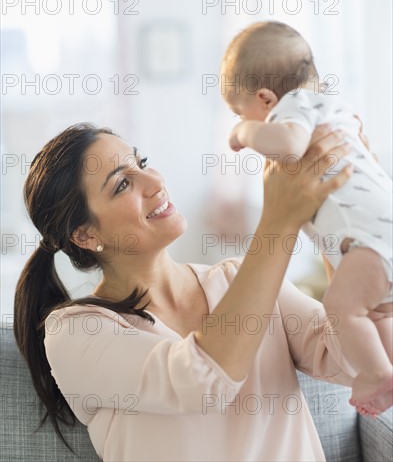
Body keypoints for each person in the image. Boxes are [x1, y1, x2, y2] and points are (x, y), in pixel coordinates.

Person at [14, 122, 356, 462]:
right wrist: (280, 220)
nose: (155, 182)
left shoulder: (242, 279)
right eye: (122, 185)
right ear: (85, 235)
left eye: (142, 163)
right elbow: (201, 382)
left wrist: (332, 215)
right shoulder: (74, 332)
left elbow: (355, 361)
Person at [220, 21, 393, 417]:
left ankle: (378, 372)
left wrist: (245, 133)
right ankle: (386, 370)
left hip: (370, 242)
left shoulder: (296, 104)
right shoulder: (336, 109)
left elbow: (291, 145)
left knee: (341, 307)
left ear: (266, 99)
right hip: (375, 237)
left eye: (238, 111)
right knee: (378, 311)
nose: (239, 121)